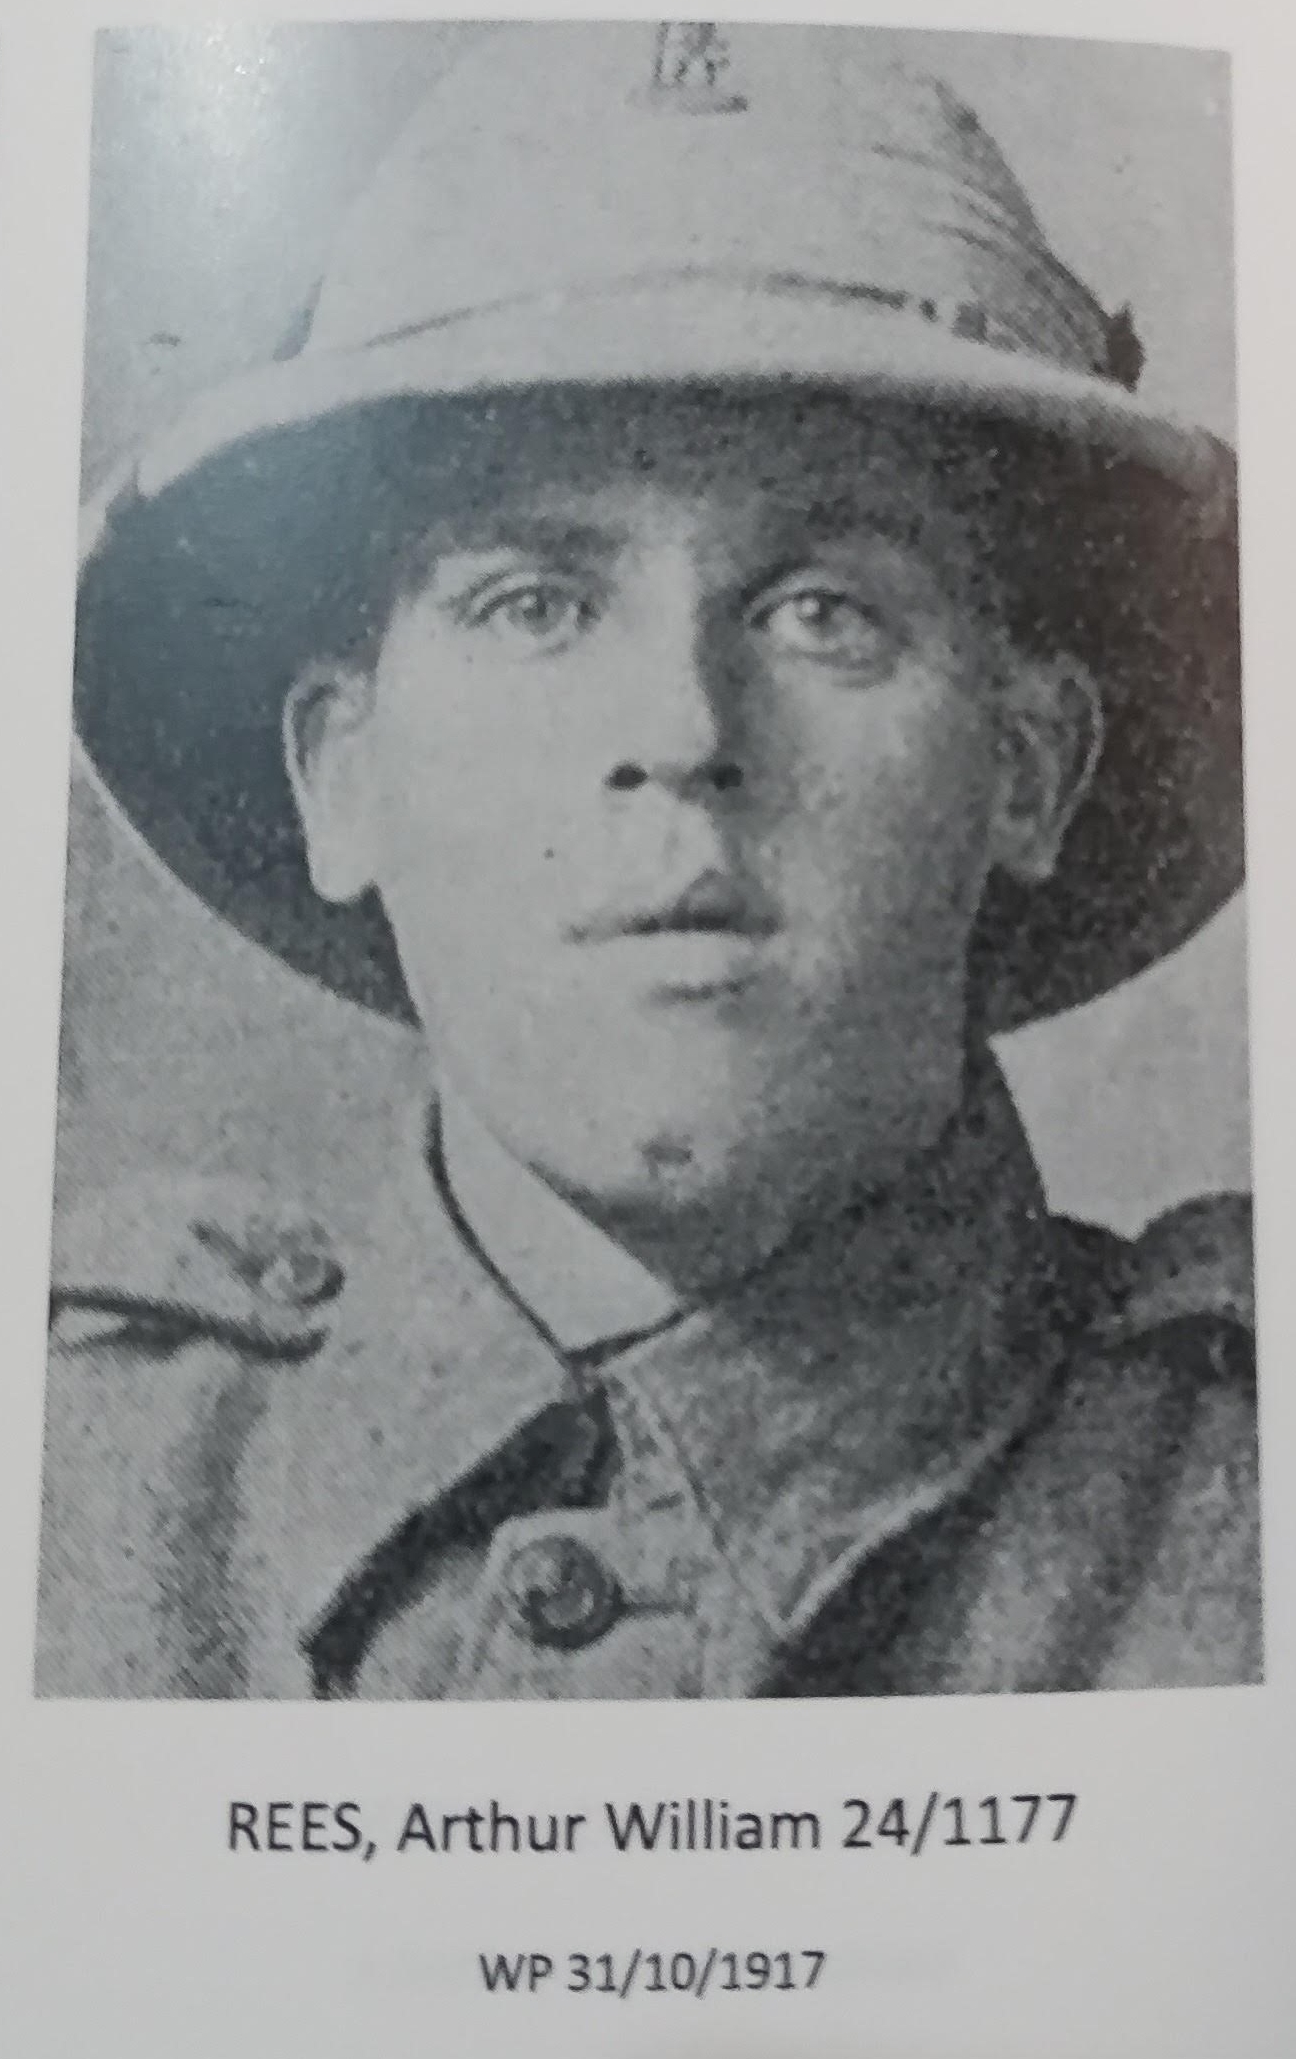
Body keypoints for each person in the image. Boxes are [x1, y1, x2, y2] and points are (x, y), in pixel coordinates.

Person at [37, 22, 1257, 1700]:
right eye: (534, 604)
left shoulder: (1235, 1516)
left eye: (823, 612)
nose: (682, 729)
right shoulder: (77, 1487)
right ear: (341, 775)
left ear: (1029, 770)